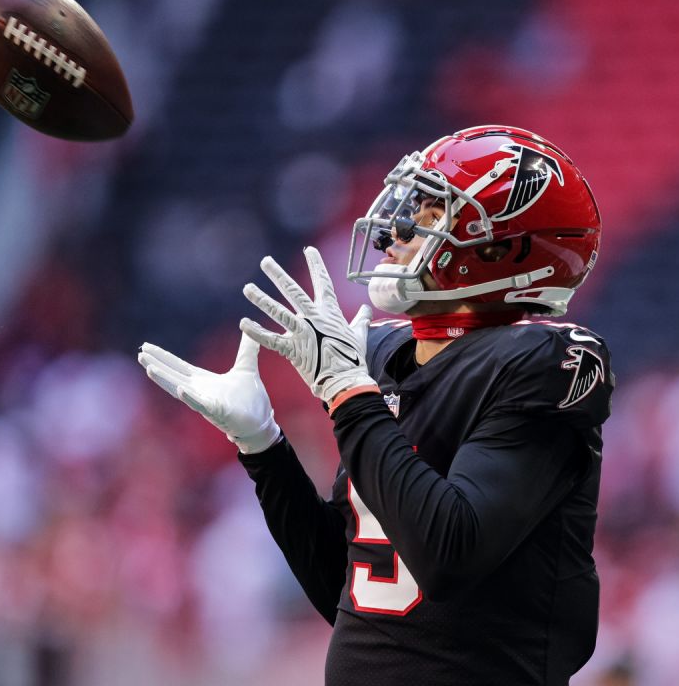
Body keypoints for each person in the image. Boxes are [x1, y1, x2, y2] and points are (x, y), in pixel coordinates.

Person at [136, 125, 612, 685]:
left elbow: (448, 554)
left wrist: (348, 392)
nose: (396, 233)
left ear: (498, 249)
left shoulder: (544, 361)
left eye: (432, 215)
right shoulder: (386, 353)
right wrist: (263, 447)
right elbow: (349, 589)